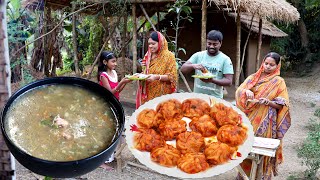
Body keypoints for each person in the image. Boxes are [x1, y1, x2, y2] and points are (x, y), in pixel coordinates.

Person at [235, 52, 291, 179]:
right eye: (266, 63)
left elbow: (282, 105)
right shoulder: (253, 77)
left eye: (272, 65)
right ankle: (243, 176)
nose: (268, 66)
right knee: (248, 148)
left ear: (277, 66)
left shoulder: (279, 82)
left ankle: (261, 177)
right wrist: (246, 91)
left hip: (267, 122)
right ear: (263, 63)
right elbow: (239, 91)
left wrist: (269, 102)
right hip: (250, 120)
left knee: (263, 151)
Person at [180, 30, 234, 98]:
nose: (211, 46)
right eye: (209, 43)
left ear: (220, 43)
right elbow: (182, 69)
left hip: (215, 99)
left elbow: (229, 81)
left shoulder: (225, 59)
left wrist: (212, 80)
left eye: (215, 44)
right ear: (206, 42)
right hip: (197, 98)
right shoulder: (198, 55)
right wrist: (193, 66)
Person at [136, 31, 178, 108]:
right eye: (149, 44)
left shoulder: (169, 56)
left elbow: (172, 77)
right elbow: (147, 72)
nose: (150, 46)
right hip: (148, 95)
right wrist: (141, 74)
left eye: (153, 43)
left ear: (160, 43)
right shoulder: (148, 55)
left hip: (162, 94)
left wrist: (156, 77)